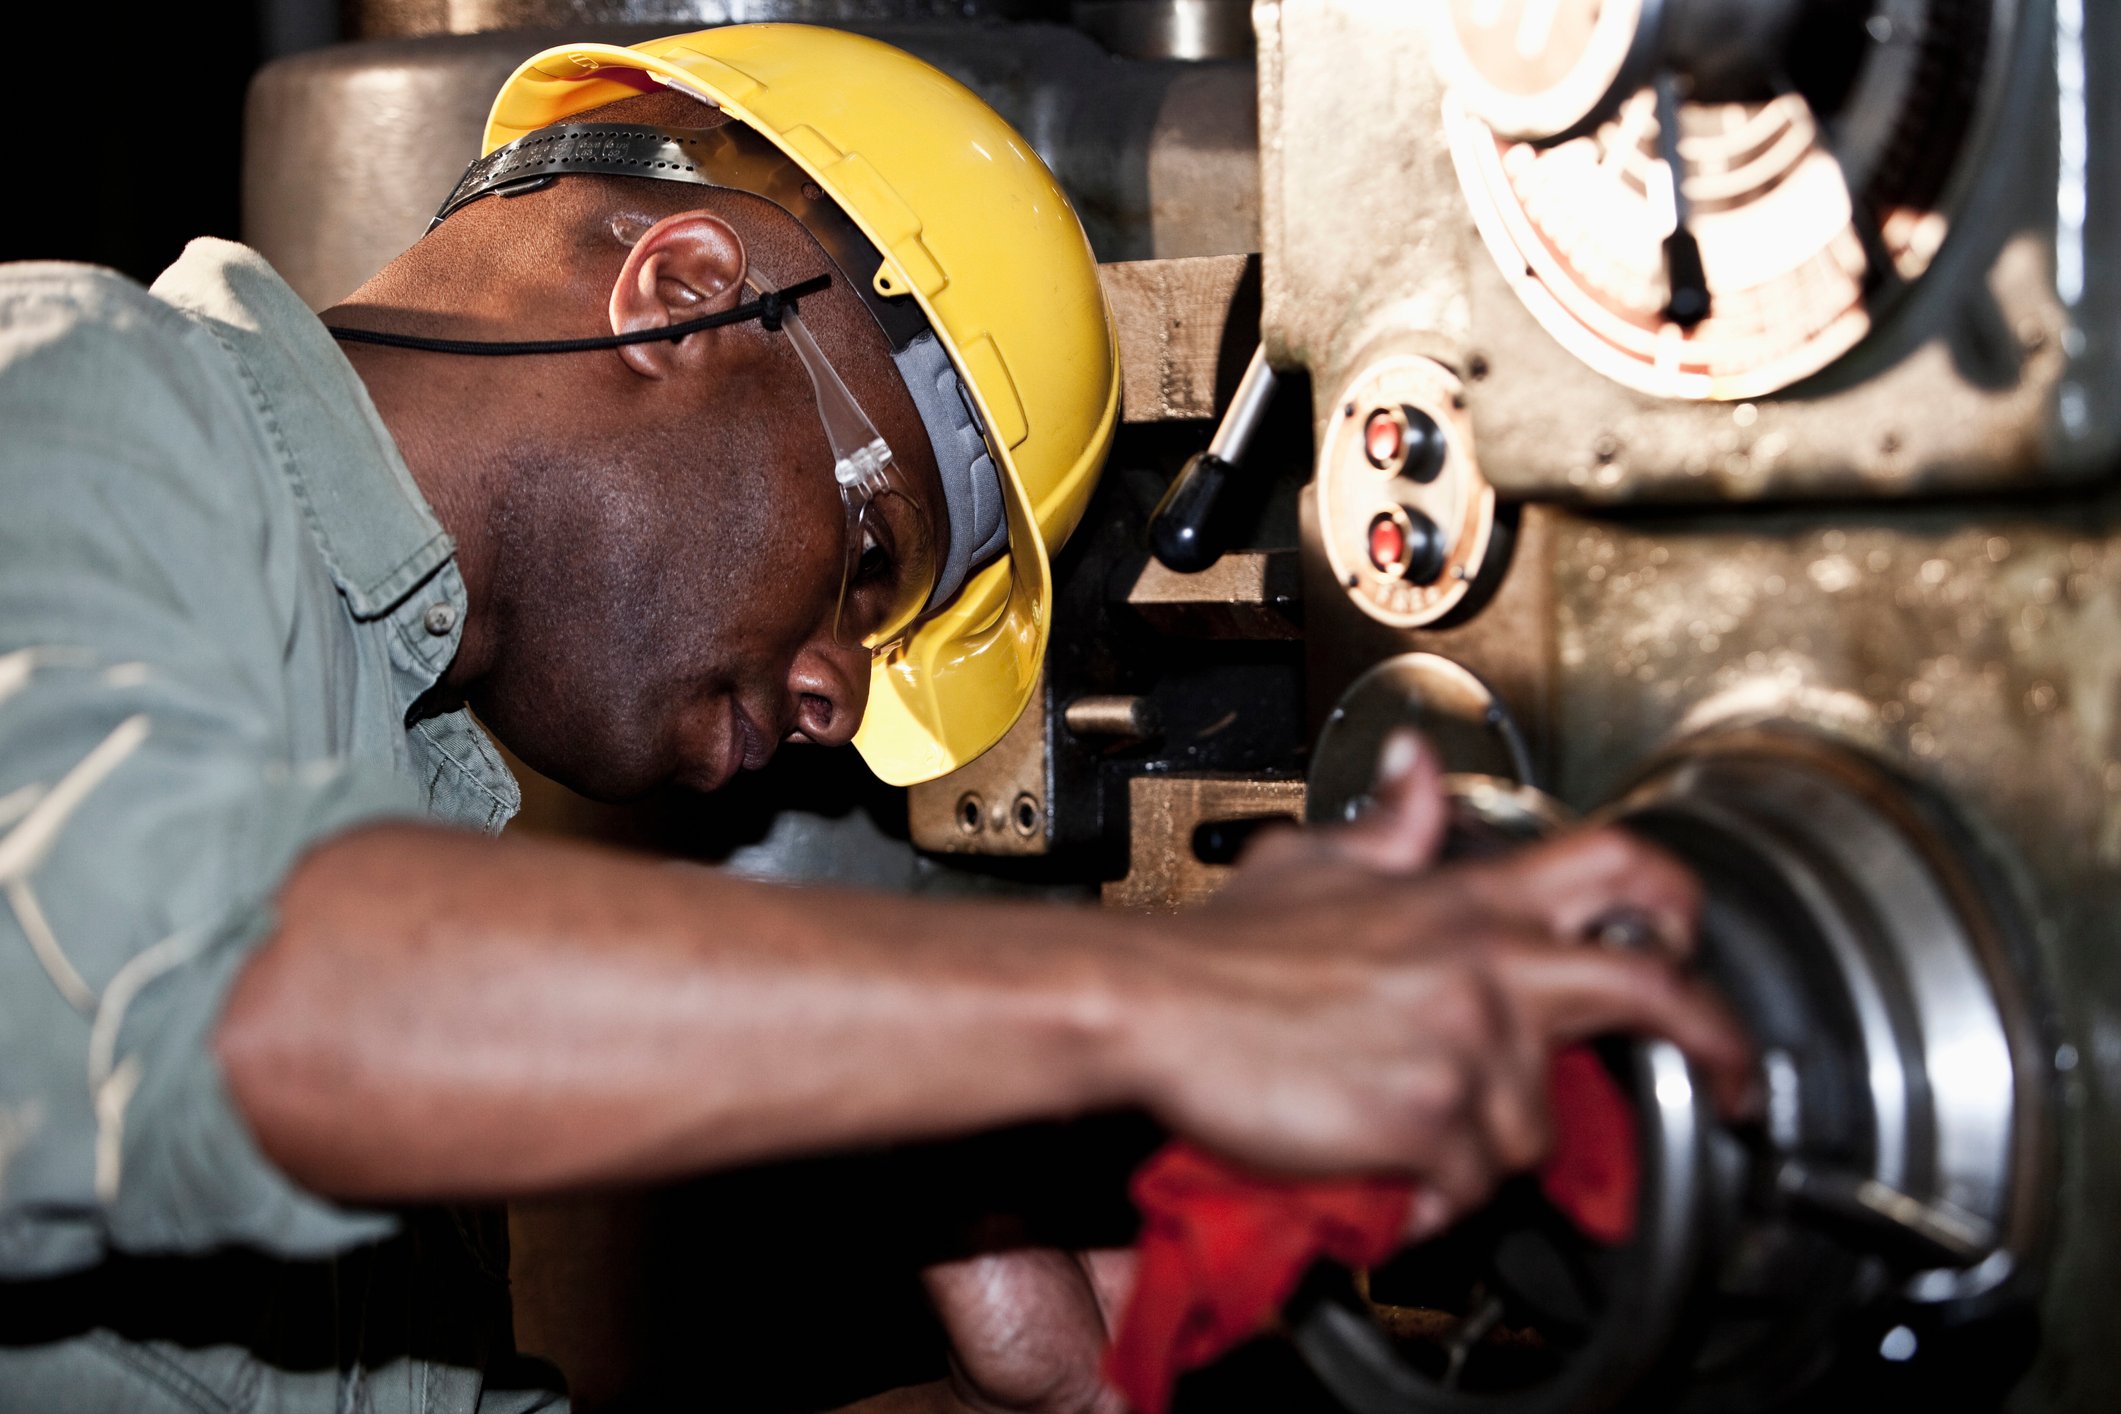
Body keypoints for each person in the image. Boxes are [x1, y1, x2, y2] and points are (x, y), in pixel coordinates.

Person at [0, 25, 1755, 1414]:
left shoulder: (396, 794)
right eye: (864, 552)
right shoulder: (71, 386)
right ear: (687, 293)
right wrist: (1166, 998)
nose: (836, 694)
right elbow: (217, 987)